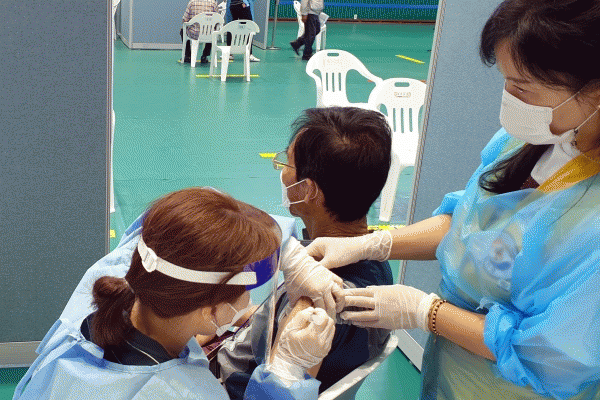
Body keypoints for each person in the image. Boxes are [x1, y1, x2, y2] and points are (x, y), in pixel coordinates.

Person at [303, 1, 600, 399]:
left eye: (522, 87)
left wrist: (427, 312)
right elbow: (468, 223)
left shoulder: (591, 220)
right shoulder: (534, 138)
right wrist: (374, 244)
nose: (508, 97)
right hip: (450, 375)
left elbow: (553, 358)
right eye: (506, 80)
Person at [13, 188, 335, 400]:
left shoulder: (109, 285)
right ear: (210, 312)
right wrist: (288, 372)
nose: (247, 300)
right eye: (245, 291)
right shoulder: (181, 393)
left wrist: (288, 250)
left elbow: (181, 218)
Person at [214, 107, 394, 397]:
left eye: (287, 162)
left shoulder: (311, 305)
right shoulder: (376, 262)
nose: (282, 171)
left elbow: (277, 392)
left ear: (308, 190)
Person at [180, 0, 218, 64]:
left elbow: (185, 19)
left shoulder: (192, 2)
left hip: (195, 33)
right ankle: (205, 55)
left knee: (183, 31)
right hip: (209, 33)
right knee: (212, 32)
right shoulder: (213, 3)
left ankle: (188, 56)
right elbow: (217, 19)